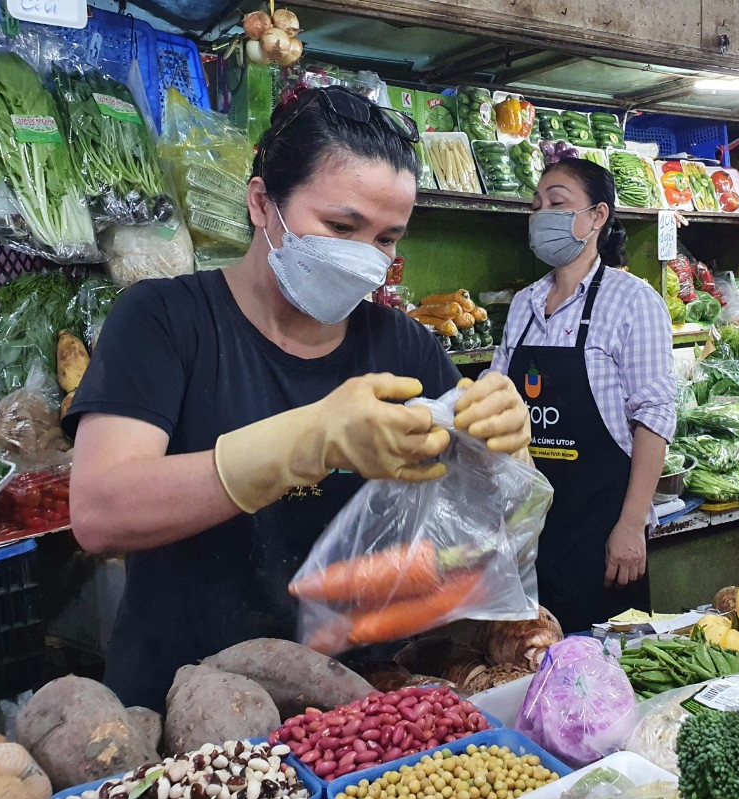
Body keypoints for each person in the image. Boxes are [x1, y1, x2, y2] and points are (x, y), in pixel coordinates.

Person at [64, 86, 532, 711]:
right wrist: (304, 444)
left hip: (360, 709)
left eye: (388, 240)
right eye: (341, 227)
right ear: (262, 202)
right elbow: (100, 513)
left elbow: (477, 535)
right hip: (186, 710)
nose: (367, 259)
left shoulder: (405, 347)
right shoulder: (163, 320)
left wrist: (501, 453)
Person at [489, 159, 677, 633]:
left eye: (557, 202)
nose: (542, 214)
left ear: (597, 216)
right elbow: (497, 406)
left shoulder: (633, 300)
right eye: (536, 206)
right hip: (529, 536)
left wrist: (632, 525)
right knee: (526, 665)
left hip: (602, 532)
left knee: (604, 678)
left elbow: (653, 418)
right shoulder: (524, 305)